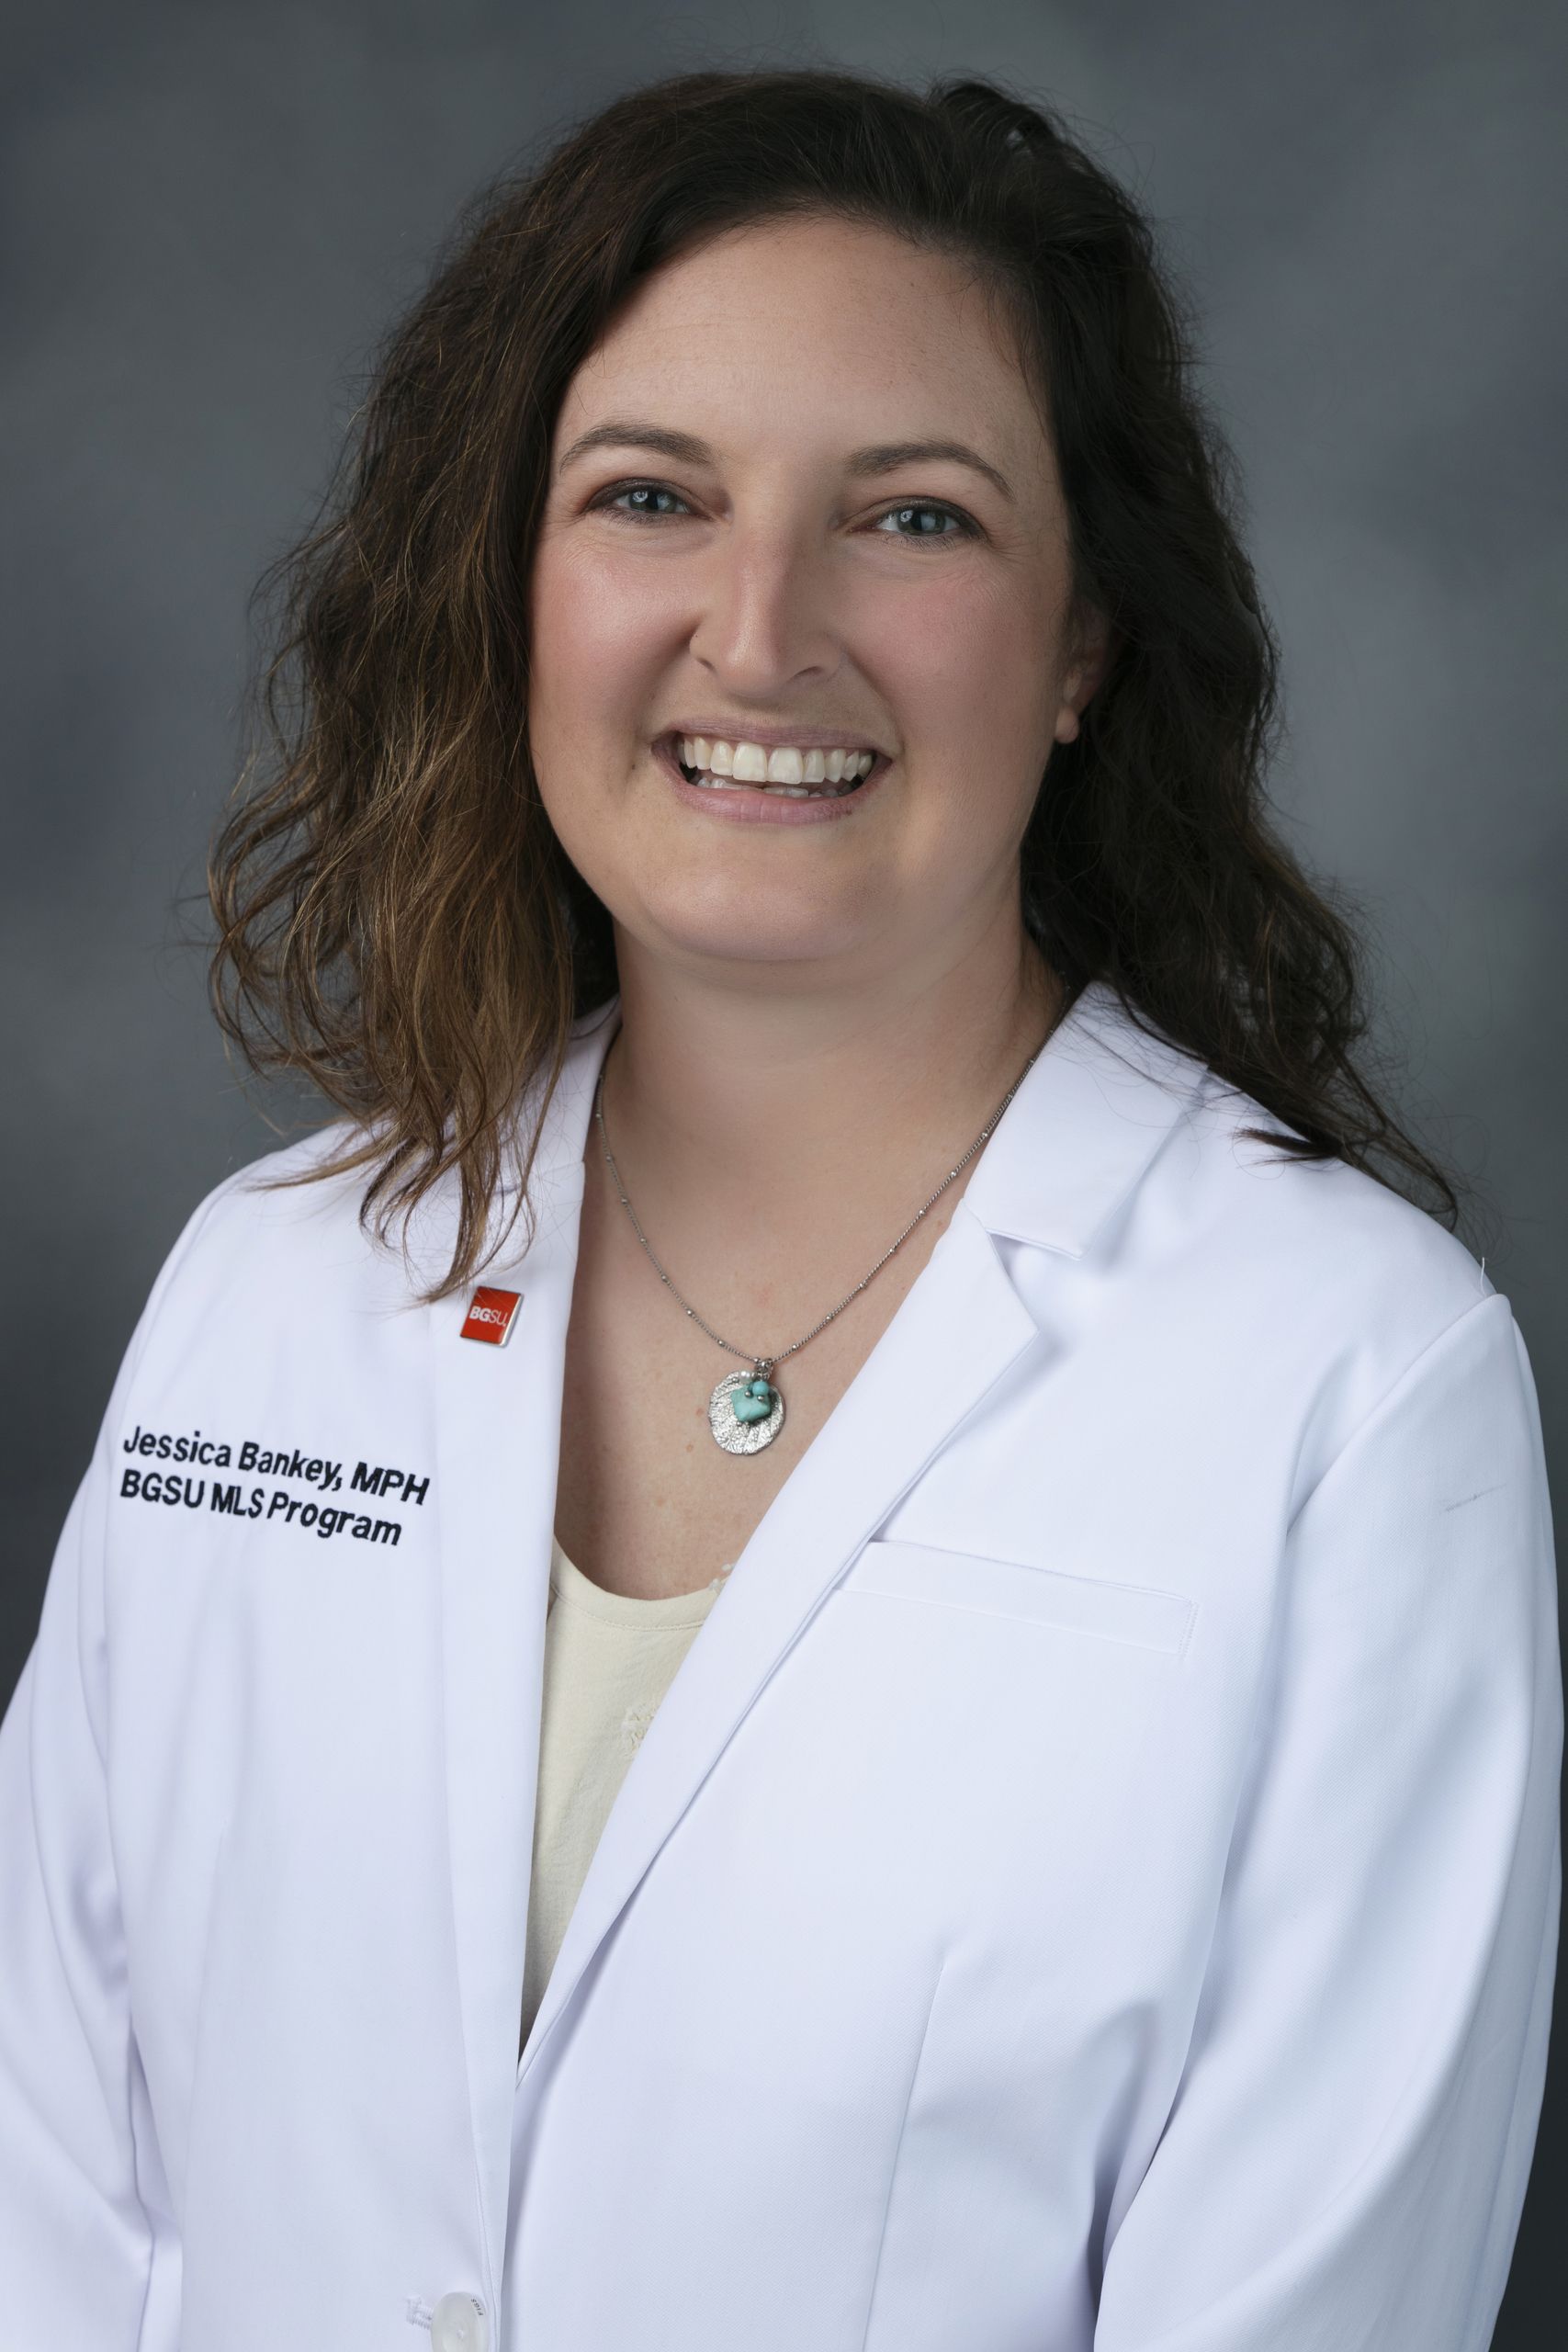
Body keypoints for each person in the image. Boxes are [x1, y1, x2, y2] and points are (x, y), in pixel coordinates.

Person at [0, 64, 1558, 2352]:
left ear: (1082, 642)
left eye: (908, 520)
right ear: (512, 586)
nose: (757, 628)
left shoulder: (1346, 1387)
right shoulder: (270, 1288)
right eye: (650, 497)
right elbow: (50, 2205)